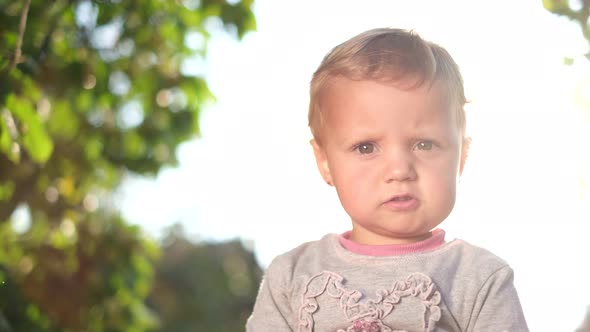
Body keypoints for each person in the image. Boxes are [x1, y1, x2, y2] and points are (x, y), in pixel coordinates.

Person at [246, 27, 528, 331]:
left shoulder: (480, 279)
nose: (399, 170)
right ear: (325, 161)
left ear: (461, 155)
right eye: (365, 147)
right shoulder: (290, 276)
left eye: (425, 144)